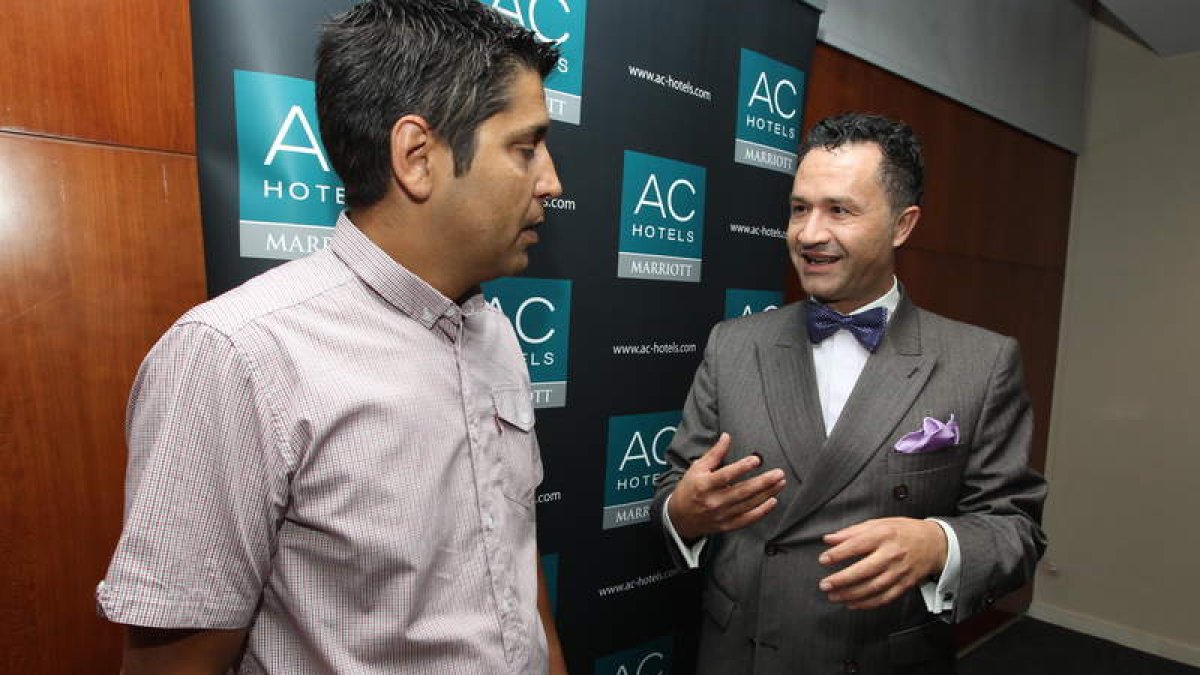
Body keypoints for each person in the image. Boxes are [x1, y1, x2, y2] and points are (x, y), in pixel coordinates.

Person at [97, 1, 568, 672]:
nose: (552, 181)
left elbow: (515, 567)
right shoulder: (236, 358)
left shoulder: (494, 333)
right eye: (525, 147)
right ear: (417, 156)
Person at [651, 113, 1047, 674]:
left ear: (902, 225)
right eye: (798, 208)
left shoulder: (981, 363)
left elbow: (1016, 527)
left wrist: (937, 545)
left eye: (840, 210)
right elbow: (676, 487)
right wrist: (685, 511)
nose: (809, 234)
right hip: (743, 654)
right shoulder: (734, 346)